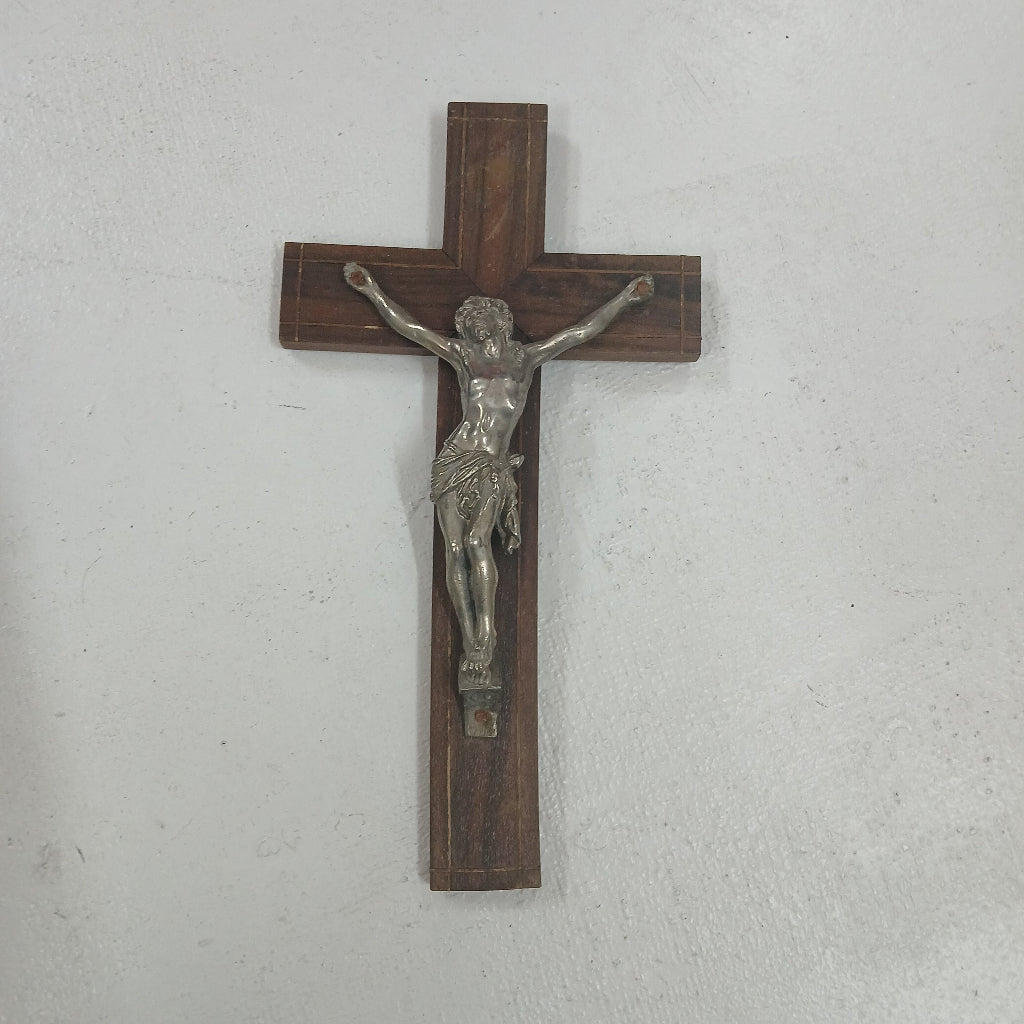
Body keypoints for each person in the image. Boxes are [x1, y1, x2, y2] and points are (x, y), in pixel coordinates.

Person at [344, 262, 653, 692]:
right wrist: (371, 291)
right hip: (455, 457)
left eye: (481, 315)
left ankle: (485, 635)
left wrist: (625, 299)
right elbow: (412, 329)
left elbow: (580, 332)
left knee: (477, 541)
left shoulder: (525, 359)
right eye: (469, 319)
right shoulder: (463, 357)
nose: (474, 323)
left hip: (490, 463)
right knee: (454, 548)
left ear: (501, 320)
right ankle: (469, 636)